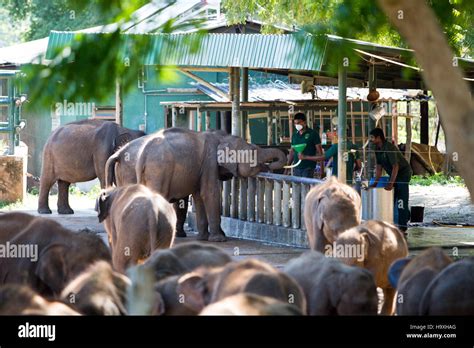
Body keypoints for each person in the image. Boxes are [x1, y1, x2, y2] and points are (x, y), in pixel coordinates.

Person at [368, 128, 412, 231]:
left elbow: (395, 166)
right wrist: (375, 183)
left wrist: (391, 183)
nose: (371, 139)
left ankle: (403, 226)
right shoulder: (377, 149)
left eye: (372, 137)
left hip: (403, 173)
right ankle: (406, 215)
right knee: (393, 198)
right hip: (394, 174)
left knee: (401, 198)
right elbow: (379, 167)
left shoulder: (389, 147)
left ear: (379, 137)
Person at [286, 112, 323, 178]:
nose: (297, 125)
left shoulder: (313, 134)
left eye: (299, 123)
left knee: (305, 187)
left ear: (304, 122)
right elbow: (292, 152)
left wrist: (322, 170)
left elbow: (320, 153)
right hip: (296, 167)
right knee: (296, 187)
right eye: (295, 123)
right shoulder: (294, 135)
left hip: (308, 167)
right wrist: (287, 168)